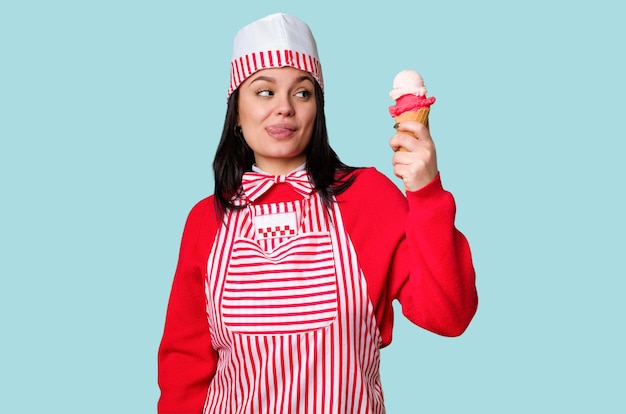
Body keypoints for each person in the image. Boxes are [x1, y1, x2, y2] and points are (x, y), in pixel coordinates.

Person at [157, 12, 478, 414]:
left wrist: (426, 193)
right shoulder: (206, 220)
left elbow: (450, 315)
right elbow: (184, 369)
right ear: (236, 111)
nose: (284, 109)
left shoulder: (368, 197)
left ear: (317, 110)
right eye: (264, 91)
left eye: (302, 93)